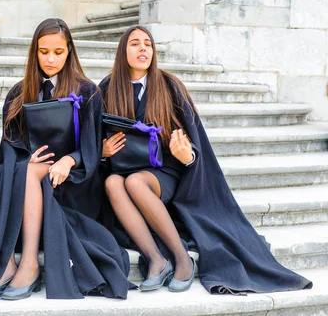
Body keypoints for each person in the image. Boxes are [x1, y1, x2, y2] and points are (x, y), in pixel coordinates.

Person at [100, 25, 312, 294]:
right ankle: (156, 259)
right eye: (135, 44)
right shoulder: (107, 89)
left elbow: (194, 143)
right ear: (122, 51)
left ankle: (182, 260)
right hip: (125, 167)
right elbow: (93, 137)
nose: (143, 49)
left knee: (134, 183)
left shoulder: (169, 86)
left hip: (164, 172)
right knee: (113, 184)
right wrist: (102, 151)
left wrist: (185, 154)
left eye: (148, 44)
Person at [0, 18, 132, 303]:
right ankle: (15, 263)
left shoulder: (87, 92)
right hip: (31, 174)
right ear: (34, 52)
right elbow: (10, 146)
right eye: (44, 51)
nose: (50, 59)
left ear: (69, 51)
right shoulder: (19, 93)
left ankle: (28, 264)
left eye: (58, 52)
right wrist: (27, 159)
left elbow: (91, 146)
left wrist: (69, 160)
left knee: (27, 174)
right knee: (15, 173)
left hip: (74, 182)